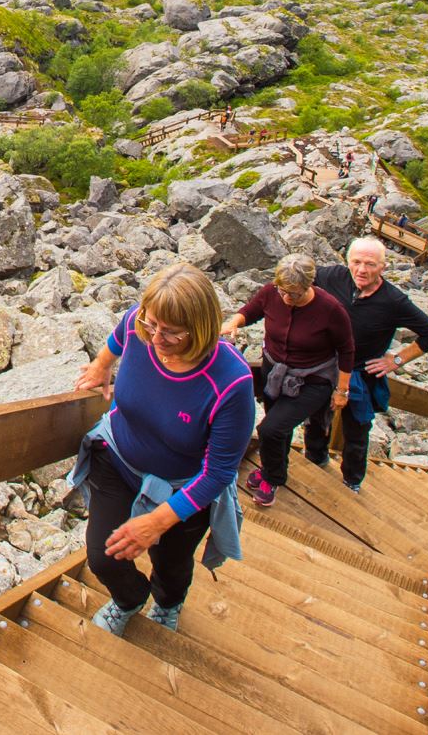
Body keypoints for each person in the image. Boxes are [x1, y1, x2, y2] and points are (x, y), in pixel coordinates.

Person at [71, 263, 254, 636]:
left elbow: (218, 472)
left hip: (182, 486)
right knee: (103, 556)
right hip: (119, 459)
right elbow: (121, 332)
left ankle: (168, 603)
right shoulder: (138, 325)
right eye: (151, 324)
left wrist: (157, 522)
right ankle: (129, 599)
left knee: (171, 563)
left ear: (201, 328)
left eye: (171, 332)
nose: (155, 337)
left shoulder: (231, 382)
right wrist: (101, 365)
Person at [305, 236, 428, 493]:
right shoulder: (333, 276)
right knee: (316, 419)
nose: (362, 270)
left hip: (361, 374)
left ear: (383, 267)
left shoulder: (393, 301)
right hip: (326, 366)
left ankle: (352, 481)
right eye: (356, 262)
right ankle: (315, 461)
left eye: (370, 264)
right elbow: (301, 281)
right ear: (348, 261)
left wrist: (396, 360)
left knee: (357, 430)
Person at [220, 255, 353, 508]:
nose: (287, 298)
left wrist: (342, 391)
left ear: (309, 285)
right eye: (283, 291)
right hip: (275, 373)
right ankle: (274, 467)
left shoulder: (330, 309)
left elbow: (346, 350)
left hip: (313, 379)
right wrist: (234, 322)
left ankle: (273, 478)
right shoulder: (272, 292)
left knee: (270, 429)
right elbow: (252, 311)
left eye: (294, 294)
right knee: (278, 428)